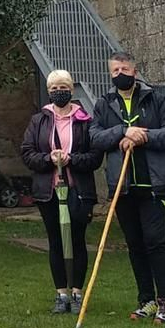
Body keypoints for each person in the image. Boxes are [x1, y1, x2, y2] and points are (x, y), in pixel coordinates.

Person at [88, 51, 165, 324]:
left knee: (155, 242)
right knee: (135, 245)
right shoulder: (105, 103)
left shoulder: (155, 99)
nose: (120, 75)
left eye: (124, 69)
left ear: (135, 71)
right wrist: (122, 132)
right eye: (115, 71)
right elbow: (95, 137)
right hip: (123, 187)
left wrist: (144, 135)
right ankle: (146, 300)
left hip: (154, 186)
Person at [19, 68, 103, 315]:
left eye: (63, 87)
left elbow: (95, 156)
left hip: (78, 190)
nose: (59, 92)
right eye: (54, 89)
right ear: (48, 92)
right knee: (55, 241)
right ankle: (61, 294)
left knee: (77, 240)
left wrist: (71, 159)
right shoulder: (39, 121)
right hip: (49, 191)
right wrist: (48, 158)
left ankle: (77, 292)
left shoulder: (85, 121)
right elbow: (27, 152)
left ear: (71, 89)